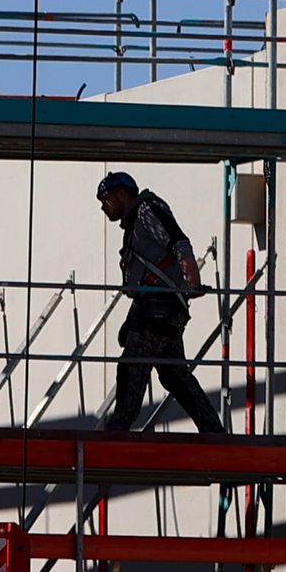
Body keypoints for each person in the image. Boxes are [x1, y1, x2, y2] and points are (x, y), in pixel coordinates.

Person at [97, 172, 226, 433]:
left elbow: (178, 241)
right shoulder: (137, 221)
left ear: (123, 194)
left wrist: (193, 281)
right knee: (174, 374)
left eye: (106, 198)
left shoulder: (146, 210)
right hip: (160, 310)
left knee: (133, 367)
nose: (103, 206)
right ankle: (213, 431)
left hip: (157, 311)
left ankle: (118, 430)